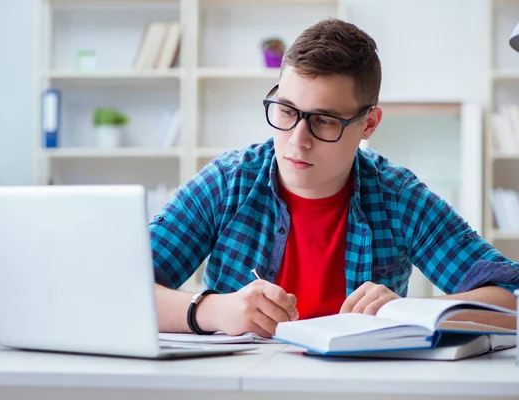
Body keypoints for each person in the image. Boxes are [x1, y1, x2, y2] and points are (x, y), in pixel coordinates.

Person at [150, 18, 519, 338]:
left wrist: (408, 312)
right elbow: (119, 287)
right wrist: (212, 310)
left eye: (324, 120)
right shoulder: (227, 182)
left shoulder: (399, 197)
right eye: (286, 110)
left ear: (368, 125)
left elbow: (509, 298)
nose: (297, 140)